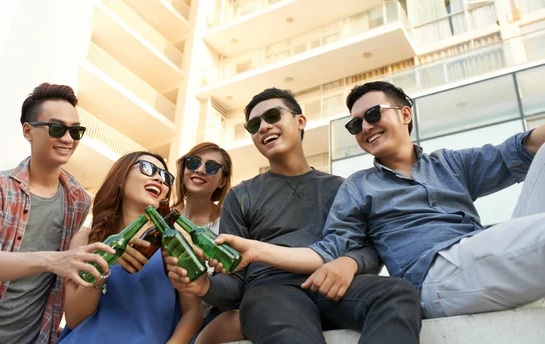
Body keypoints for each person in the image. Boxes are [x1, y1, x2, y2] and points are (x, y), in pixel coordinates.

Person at [218, 81, 545, 321]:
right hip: (437, 274)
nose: (365, 126)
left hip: (481, 250)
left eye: (373, 113)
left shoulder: (449, 164)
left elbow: (514, 152)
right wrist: (257, 250)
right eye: (356, 123)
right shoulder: (359, 187)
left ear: (405, 114)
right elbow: (331, 249)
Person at [166, 88, 422, 344]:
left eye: (273, 116)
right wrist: (205, 287)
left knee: (397, 293)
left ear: (300, 121)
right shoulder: (241, 195)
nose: (264, 127)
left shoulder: (341, 187)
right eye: (254, 125)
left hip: (335, 287)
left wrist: (350, 263)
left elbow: (367, 247)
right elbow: (234, 281)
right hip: (270, 293)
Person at [0, 83, 112, 344]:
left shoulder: (79, 200)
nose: (68, 139)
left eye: (75, 131)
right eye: (57, 128)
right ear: (28, 131)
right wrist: (54, 261)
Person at [57, 151, 203, 344]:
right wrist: (106, 262)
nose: (159, 179)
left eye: (165, 177)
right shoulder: (86, 238)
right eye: (148, 169)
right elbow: (75, 319)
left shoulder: (175, 239)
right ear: (121, 177)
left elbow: (193, 312)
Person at [171, 142, 243, 344]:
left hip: (208, 321)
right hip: (161, 314)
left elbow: (234, 283)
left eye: (212, 167)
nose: (200, 170)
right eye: (193, 163)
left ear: (222, 181)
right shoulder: (161, 220)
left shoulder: (228, 224)